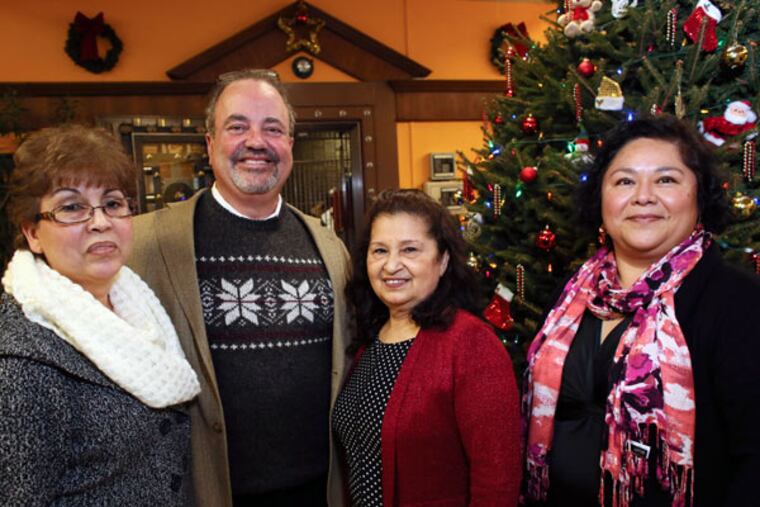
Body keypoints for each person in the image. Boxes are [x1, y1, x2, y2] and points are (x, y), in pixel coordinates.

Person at [129, 69, 351, 507]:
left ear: (290, 144)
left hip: (319, 491)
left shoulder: (329, 246)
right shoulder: (147, 244)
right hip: (209, 493)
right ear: (210, 144)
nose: (256, 142)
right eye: (237, 127)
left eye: (273, 129)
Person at [522, 115, 760, 507]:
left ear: (700, 196)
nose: (643, 196)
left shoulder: (740, 304)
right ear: (600, 199)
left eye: (666, 180)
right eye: (624, 181)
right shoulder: (571, 296)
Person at [0, 125, 200, 505]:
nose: (100, 221)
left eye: (112, 203)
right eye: (72, 207)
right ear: (33, 233)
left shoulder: (140, 309)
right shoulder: (19, 362)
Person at [333, 189, 522, 506]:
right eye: (379, 250)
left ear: (443, 259)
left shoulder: (471, 344)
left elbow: (497, 480)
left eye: (410, 250)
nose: (391, 265)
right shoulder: (371, 340)